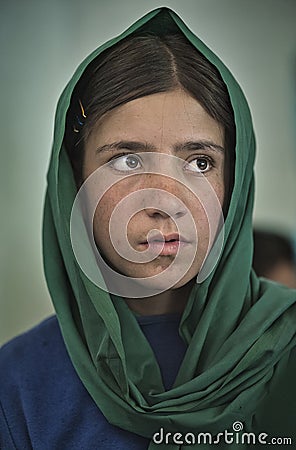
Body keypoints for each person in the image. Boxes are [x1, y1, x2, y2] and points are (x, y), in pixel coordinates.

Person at [1, 7, 296, 450]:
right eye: (126, 160)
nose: (165, 200)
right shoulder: (18, 385)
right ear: (74, 183)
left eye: (200, 162)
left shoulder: (286, 345)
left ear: (234, 186)